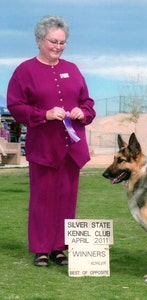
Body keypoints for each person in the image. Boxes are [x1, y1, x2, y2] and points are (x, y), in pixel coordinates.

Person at [7, 15, 96, 267]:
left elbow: (87, 102)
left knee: (67, 199)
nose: (58, 46)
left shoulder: (73, 69)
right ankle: (41, 249)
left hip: (72, 148)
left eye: (62, 42)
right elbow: (15, 105)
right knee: (42, 200)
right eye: (53, 41)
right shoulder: (24, 71)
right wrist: (43, 114)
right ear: (39, 40)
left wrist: (83, 112)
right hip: (44, 147)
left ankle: (60, 248)